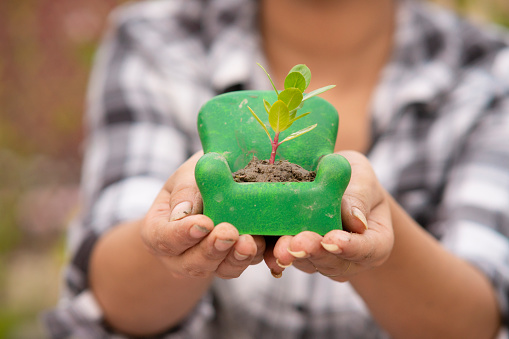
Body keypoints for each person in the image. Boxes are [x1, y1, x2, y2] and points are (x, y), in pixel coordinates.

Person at [43, 0, 509, 337]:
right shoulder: (154, 37)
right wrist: (174, 232)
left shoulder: (489, 68)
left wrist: (374, 232)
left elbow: (475, 320)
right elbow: (114, 297)